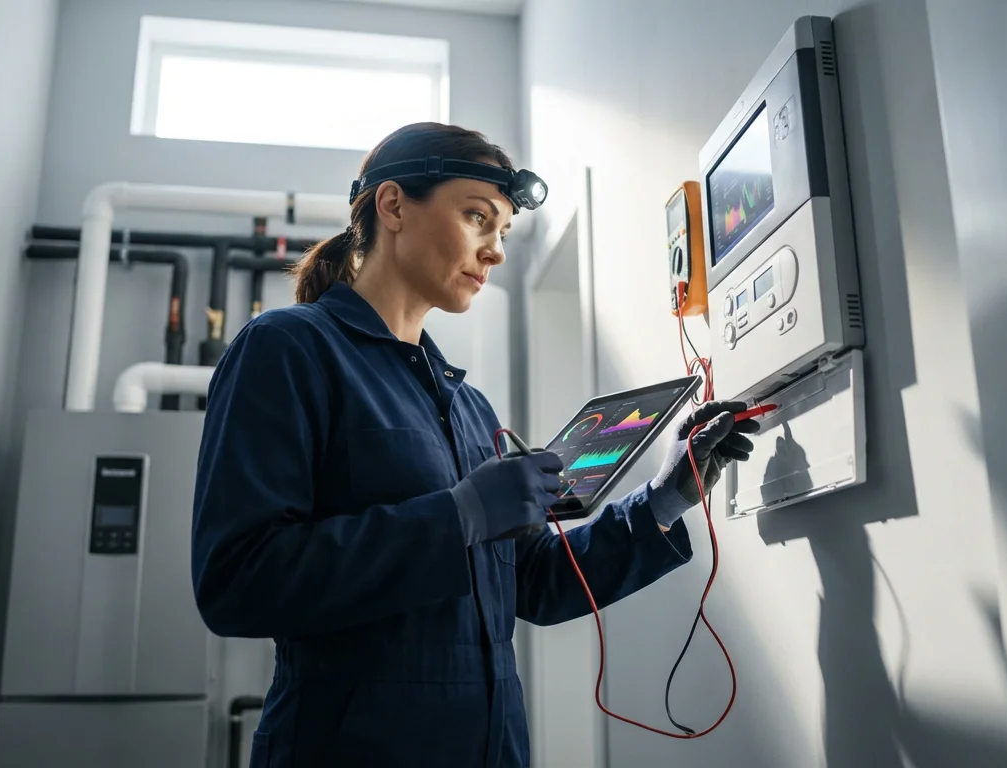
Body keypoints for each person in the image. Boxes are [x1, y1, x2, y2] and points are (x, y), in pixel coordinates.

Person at [191, 122, 760, 768]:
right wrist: (457, 516)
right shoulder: (288, 350)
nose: (495, 252)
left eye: (503, 233)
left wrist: (662, 500)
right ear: (394, 206)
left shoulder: (468, 406)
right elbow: (236, 581)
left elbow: (534, 583)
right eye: (477, 218)